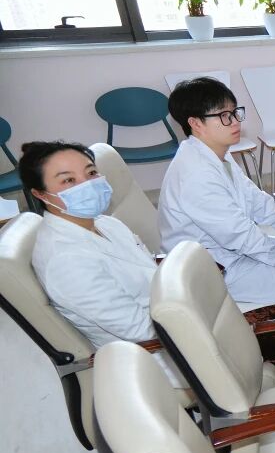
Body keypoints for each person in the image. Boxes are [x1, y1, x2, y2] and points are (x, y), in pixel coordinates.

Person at [21, 141, 185, 387]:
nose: (87, 184)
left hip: (170, 316)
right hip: (154, 356)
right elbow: (140, 330)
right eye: (68, 180)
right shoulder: (65, 260)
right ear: (40, 194)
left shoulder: (104, 223)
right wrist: (197, 320)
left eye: (91, 173)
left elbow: (147, 269)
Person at [158, 77, 275, 306]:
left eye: (234, 112)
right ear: (196, 123)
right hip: (211, 273)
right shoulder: (195, 173)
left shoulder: (218, 155)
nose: (235, 121)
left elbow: (259, 204)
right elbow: (239, 234)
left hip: (232, 256)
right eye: (224, 116)